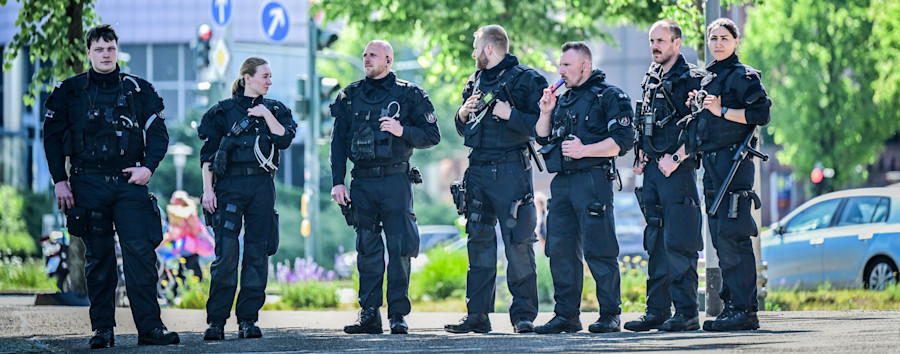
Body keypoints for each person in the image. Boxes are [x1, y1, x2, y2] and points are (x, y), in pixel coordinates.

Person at [42, 24, 180, 348]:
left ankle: (150, 329)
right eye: (99, 49)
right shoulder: (69, 91)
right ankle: (102, 330)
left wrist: (148, 168)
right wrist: (59, 182)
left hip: (128, 182)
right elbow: (50, 139)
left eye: (111, 49)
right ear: (88, 52)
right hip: (86, 183)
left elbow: (159, 134)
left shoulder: (138, 90)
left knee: (142, 256)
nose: (106, 55)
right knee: (99, 259)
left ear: (117, 51)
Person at [330, 40, 441, 335]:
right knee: (367, 249)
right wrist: (337, 181)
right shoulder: (350, 96)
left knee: (399, 249)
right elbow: (337, 143)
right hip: (362, 181)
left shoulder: (409, 95)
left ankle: (398, 316)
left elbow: (433, 135)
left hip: (396, 180)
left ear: (389, 60)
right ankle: (369, 315)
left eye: (373, 55)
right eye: (364, 54)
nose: (366, 59)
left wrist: (402, 130)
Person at [444, 25, 548, 334]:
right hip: (477, 170)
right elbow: (465, 130)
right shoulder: (474, 81)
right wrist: (461, 114)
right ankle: (477, 315)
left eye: (476, 47)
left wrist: (509, 114)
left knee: (519, 245)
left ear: (490, 49)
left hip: (511, 171)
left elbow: (541, 128)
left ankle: (524, 316)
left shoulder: (528, 80)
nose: (473, 52)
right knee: (478, 245)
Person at [533, 41, 634, 334]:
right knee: (560, 250)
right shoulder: (562, 99)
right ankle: (566, 316)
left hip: (592, 179)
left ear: (584, 66)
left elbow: (623, 141)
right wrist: (545, 112)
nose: (560, 70)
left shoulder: (610, 96)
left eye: (566, 65)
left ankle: (610, 315)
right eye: (560, 64)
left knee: (599, 250)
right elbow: (542, 138)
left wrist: (584, 150)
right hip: (562, 183)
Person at [198, 56, 297, 340]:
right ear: (247, 78)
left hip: (262, 186)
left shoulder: (276, 109)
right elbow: (208, 156)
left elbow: (284, 138)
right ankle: (216, 321)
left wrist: (265, 114)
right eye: (264, 76)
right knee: (226, 256)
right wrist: (208, 190)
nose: (269, 81)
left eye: (270, 76)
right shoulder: (223, 112)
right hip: (229, 186)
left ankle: (248, 320)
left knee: (256, 254)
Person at [689, 18, 771, 331]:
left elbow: (761, 114)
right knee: (721, 238)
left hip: (734, 166)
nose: (718, 43)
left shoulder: (743, 75)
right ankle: (731, 307)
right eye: (713, 38)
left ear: (736, 41)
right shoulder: (708, 77)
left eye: (724, 38)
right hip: (711, 166)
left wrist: (721, 111)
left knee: (734, 236)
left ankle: (745, 310)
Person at [627, 20, 704, 332]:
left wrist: (677, 157)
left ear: (677, 43)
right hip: (655, 172)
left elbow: (701, 127)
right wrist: (641, 151)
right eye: (651, 41)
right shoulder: (651, 76)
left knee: (679, 243)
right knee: (656, 243)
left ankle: (686, 313)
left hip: (678, 171)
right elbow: (646, 119)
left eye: (661, 40)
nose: (655, 46)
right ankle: (656, 312)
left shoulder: (693, 78)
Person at [161, 191, 214, 296]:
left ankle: (177, 295)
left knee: (187, 272)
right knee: (189, 272)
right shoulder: (178, 215)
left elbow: (194, 232)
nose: (172, 201)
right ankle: (194, 294)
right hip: (185, 249)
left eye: (174, 199)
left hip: (190, 249)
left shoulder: (189, 215)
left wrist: (182, 228)